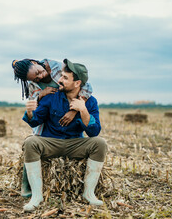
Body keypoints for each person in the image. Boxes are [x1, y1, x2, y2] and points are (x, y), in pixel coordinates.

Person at [21, 59, 108, 212]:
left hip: (75, 144)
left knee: (100, 143)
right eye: (61, 76)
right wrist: (29, 112)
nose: (59, 80)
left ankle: (89, 193)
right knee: (30, 142)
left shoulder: (90, 102)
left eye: (65, 78)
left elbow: (94, 132)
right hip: (51, 143)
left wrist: (83, 110)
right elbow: (35, 121)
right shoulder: (51, 96)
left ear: (77, 83)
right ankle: (36, 196)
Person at [12, 58, 94, 198]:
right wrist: (39, 96)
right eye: (36, 78)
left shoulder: (58, 68)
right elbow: (34, 105)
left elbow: (87, 88)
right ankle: (26, 186)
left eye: (39, 72)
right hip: (48, 113)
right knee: (32, 143)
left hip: (69, 107)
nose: (40, 77)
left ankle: (88, 190)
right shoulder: (33, 84)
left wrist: (74, 111)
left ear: (34, 62)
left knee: (77, 136)